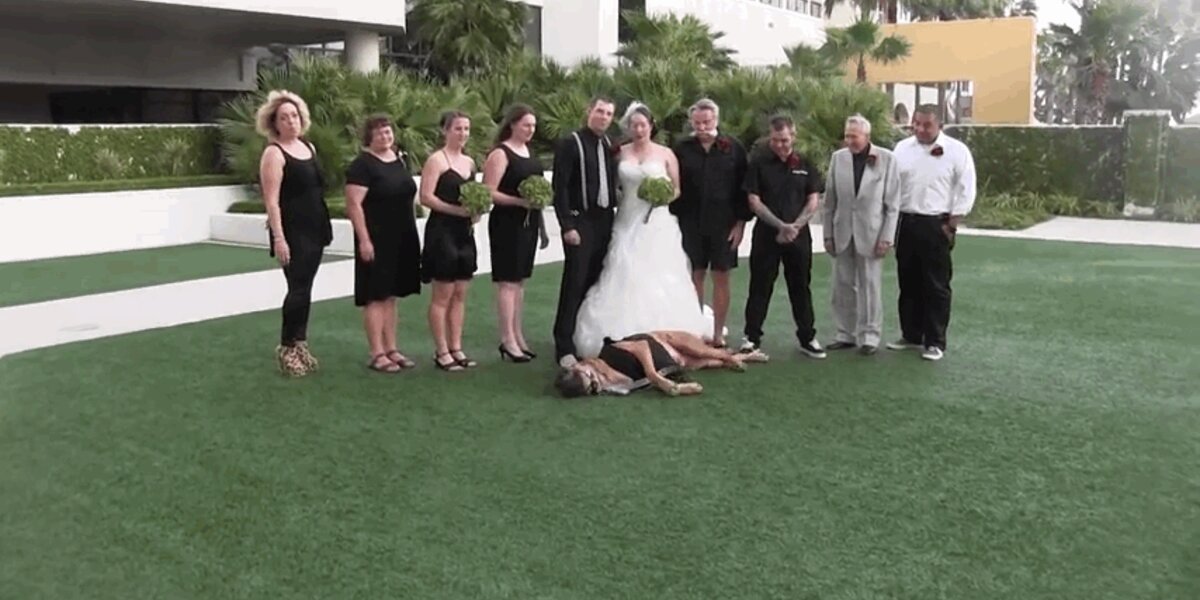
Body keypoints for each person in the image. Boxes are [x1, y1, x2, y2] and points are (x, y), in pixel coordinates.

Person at [570, 101, 716, 360]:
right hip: (627, 218)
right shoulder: (618, 153)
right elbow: (610, 184)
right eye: (634, 125)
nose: (638, 130)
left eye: (643, 125)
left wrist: (663, 198)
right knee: (623, 270)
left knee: (659, 273)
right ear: (629, 127)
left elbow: (677, 188)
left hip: (657, 223)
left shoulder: (666, 154)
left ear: (651, 126)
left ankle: (667, 332)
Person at [888, 104, 977, 361]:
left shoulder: (958, 151)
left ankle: (935, 341)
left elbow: (966, 190)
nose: (919, 129)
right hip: (906, 222)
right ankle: (911, 335)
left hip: (936, 223)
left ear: (940, 125)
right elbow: (894, 186)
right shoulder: (902, 149)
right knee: (908, 281)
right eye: (916, 123)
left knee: (936, 285)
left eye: (926, 124)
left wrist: (952, 224)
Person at [256, 90, 332, 377]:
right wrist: (279, 238)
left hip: (316, 227)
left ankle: (300, 343)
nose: (291, 121)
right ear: (274, 123)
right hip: (293, 232)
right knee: (297, 290)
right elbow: (272, 201)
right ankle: (287, 347)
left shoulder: (308, 148)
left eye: (295, 116)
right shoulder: (274, 153)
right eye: (284, 117)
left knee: (306, 289)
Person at [739, 115, 826, 359]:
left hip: (799, 236)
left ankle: (807, 337)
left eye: (785, 140)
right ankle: (751, 338)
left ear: (793, 137)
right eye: (776, 140)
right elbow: (754, 201)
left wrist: (794, 226)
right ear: (770, 137)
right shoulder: (758, 162)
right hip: (767, 235)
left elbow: (813, 199)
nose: (780, 145)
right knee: (760, 286)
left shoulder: (805, 162)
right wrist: (780, 226)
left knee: (800, 287)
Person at [344, 114, 422, 373]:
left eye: (388, 132)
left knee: (391, 296)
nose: (385, 137)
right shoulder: (362, 165)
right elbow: (354, 205)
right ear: (369, 137)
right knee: (375, 296)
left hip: (401, 236)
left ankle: (392, 348)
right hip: (376, 238)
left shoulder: (399, 160)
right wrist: (364, 240)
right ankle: (377, 352)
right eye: (379, 133)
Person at [672, 98, 750, 348]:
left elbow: (744, 189)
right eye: (697, 123)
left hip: (724, 224)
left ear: (715, 120)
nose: (702, 127)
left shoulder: (734, 147)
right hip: (690, 222)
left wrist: (740, 224)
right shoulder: (682, 148)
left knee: (721, 276)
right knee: (694, 276)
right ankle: (696, 330)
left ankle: (717, 333)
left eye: (706, 122)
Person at [823, 114, 901, 355]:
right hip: (842, 230)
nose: (849, 140)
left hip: (872, 232)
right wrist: (828, 234)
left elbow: (893, 204)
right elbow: (830, 201)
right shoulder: (838, 159)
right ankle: (845, 333)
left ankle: (870, 336)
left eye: (853, 136)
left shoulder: (886, 159)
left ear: (867, 136)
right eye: (846, 135)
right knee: (842, 285)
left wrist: (886, 237)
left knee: (870, 286)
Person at [551, 96, 619, 368]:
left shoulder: (608, 144)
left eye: (609, 113)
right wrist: (567, 225)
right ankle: (564, 345)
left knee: (595, 281)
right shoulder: (571, 143)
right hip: (581, 221)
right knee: (574, 282)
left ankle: (586, 338)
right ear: (588, 111)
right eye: (600, 111)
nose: (603, 117)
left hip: (605, 220)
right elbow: (561, 187)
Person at [483, 104, 546, 363]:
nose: (530, 130)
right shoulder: (500, 153)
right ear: (512, 125)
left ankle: (517, 334)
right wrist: (520, 202)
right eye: (525, 125)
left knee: (520, 282)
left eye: (533, 125)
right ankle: (507, 339)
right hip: (506, 223)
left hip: (528, 223)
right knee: (508, 282)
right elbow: (489, 191)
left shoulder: (529, 152)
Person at [419, 110, 479, 372]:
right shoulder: (436, 160)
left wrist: (476, 211)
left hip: (465, 232)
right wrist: (456, 211)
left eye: (466, 129)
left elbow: (475, 194)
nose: (463, 133)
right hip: (442, 231)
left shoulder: (470, 162)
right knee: (442, 295)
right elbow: (426, 197)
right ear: (445, 131)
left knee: (460, 294)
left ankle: (456, 347)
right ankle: (441, 350)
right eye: (457, 128)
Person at [553, 330, 768, 398]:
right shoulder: (612, 386)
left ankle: (734, 356)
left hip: (662, 341)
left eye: (589, 377)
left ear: (581, 366)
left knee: (709, 352)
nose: (595, 382)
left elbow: (642, 346)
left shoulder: (609, 353)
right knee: (706, 363)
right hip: (671, 362)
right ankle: (746, 356)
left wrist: (654, 376)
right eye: (591, 387)